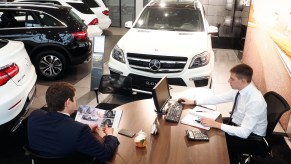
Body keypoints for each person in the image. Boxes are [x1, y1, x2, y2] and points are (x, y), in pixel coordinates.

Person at [179, 64, 267, 163]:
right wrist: (194, 101)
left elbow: (244, 133)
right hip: (237, 124)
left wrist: (216, 124)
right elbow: (218, 98)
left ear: (242, 81)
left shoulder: (255, 101)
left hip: (251, 138)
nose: (228, 81)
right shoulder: (239, 90)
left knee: (215, 142)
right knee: (207, 126)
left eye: (232, 79)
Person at [27, 82, 119, 163]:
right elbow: (105, 154)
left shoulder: (34, 116)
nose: (76, 101)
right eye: (74, 98)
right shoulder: (79, 131)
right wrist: (110, 135)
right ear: (67, 102)